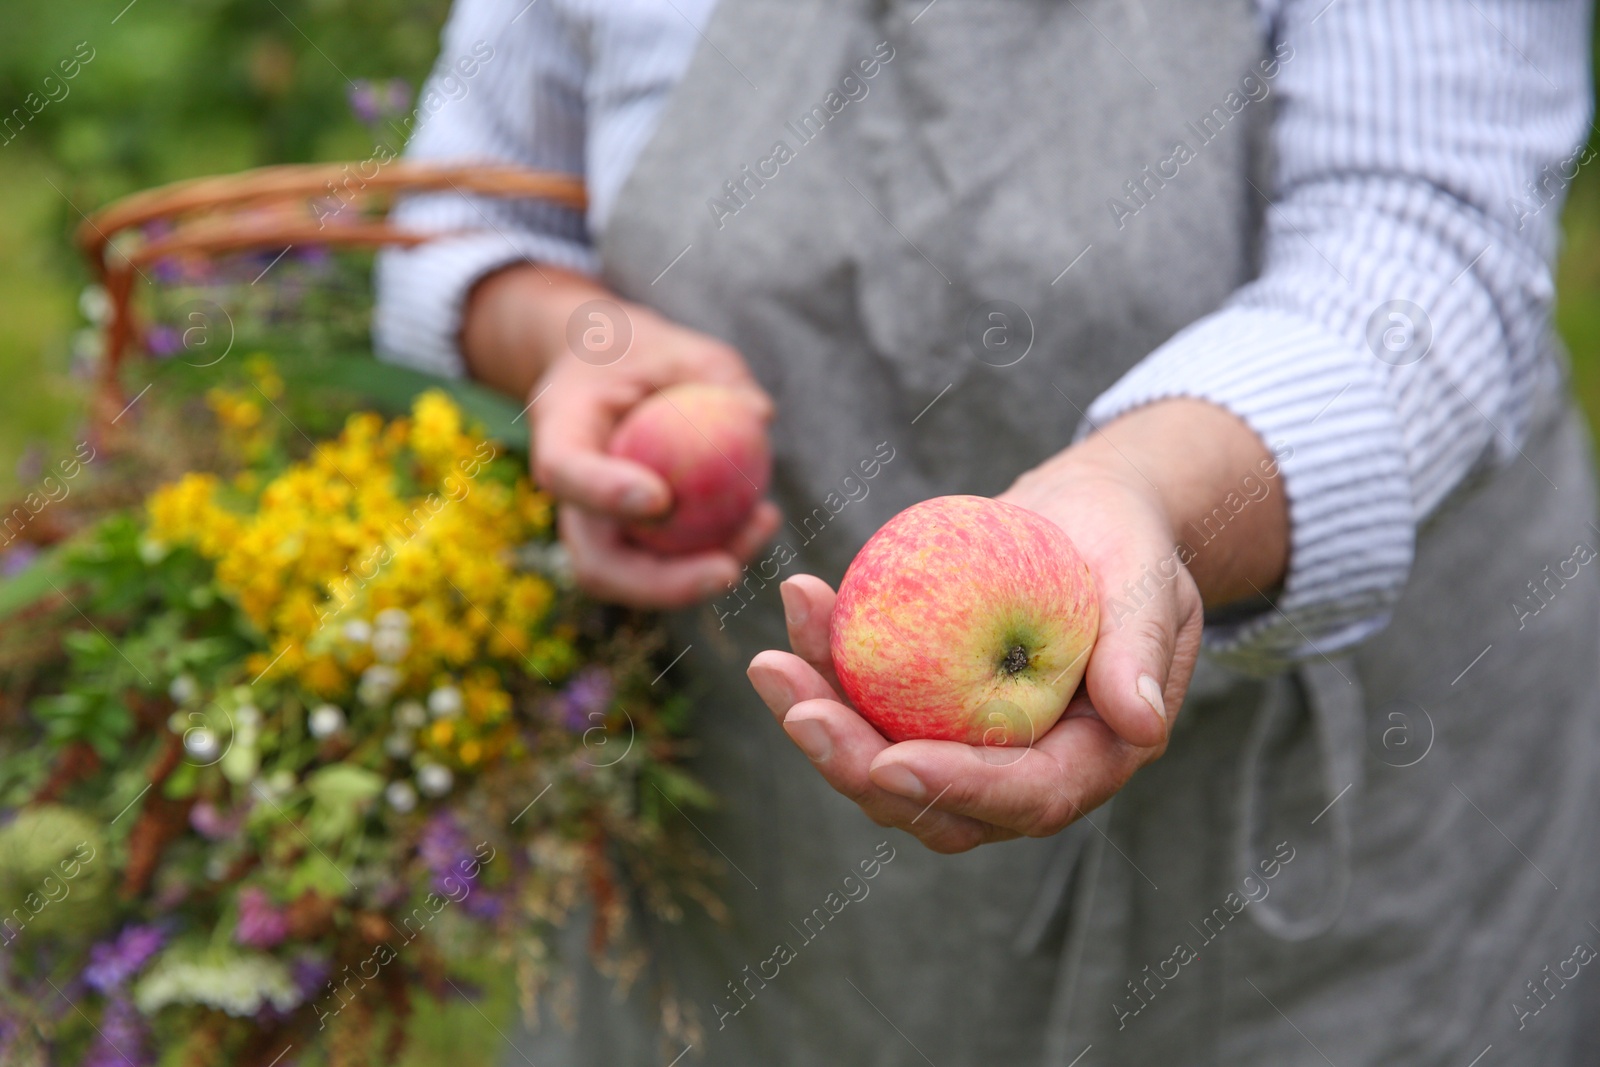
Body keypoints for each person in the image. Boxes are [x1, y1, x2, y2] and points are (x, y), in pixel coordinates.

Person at [375, 0, 1600, 1062]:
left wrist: (1145, 493)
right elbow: (469, 208)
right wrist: (571, 346)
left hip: (1316, 827)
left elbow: (1427, 248)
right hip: (762, 823)